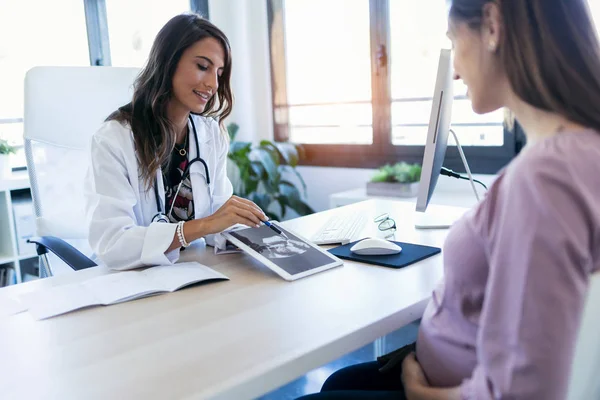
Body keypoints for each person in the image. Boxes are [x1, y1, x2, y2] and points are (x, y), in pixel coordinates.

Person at [298, 0, 600, 399]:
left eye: (453, 41)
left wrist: (421, 393)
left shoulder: (543, 178)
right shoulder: (579, 152)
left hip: (445, 389)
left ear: (492, 24)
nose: (454, 70)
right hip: (452, 369)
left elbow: (525, 392)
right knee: (341, 382)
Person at [84, 14, 267, 271]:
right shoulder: (114, 140)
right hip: (130, 283)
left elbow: (217, 217)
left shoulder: (209, 134)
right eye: (203, 67)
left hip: (190, 272)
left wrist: (247, 230)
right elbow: (113, 244)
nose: (213, 84)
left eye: (219, 73)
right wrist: (201, 227)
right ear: (168, 62)